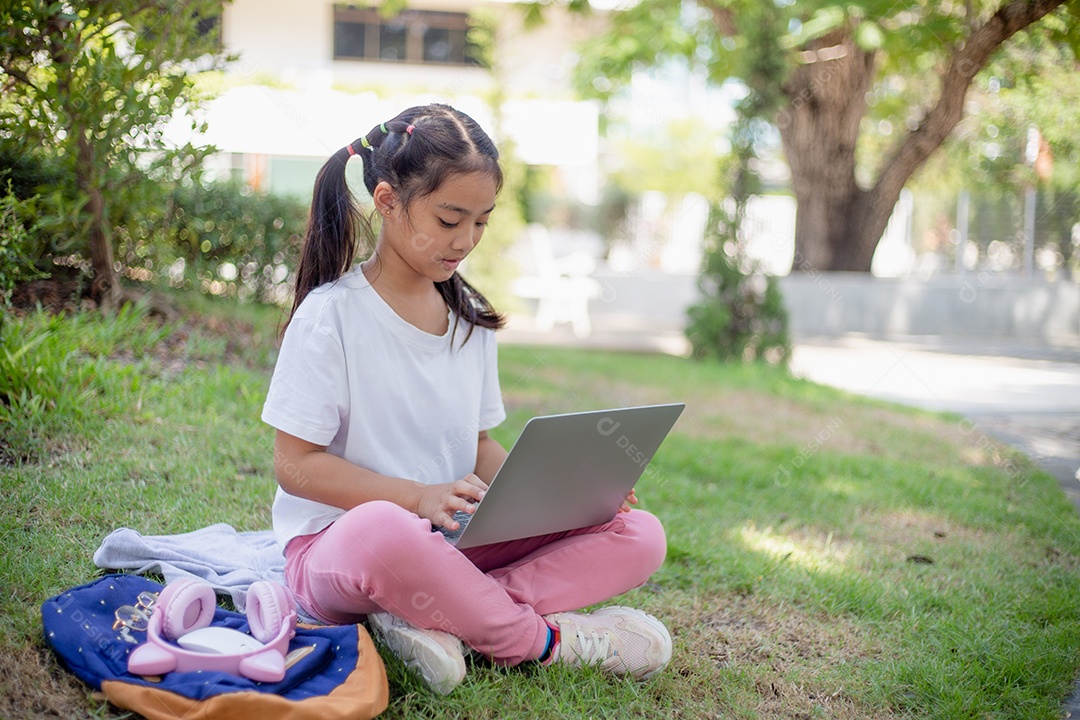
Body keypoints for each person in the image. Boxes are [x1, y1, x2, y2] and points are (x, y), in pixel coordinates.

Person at [261, 103, 672, 695]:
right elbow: (294, 465)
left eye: (482, 221)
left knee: (641, 534)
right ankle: (543, 643)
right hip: (348, 546)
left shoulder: (469, 320)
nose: (467, 240)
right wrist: (415, 497)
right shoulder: (332, 316)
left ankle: (437, 615)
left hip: (451, 543)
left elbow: (477, 445)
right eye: (450, 218)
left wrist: (567, 498)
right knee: (385, 527)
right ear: (387, 201)